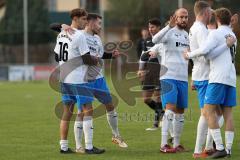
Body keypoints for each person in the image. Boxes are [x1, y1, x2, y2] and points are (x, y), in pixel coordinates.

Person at [51, 13, 128, 150]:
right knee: (82, 111)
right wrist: (63, 26)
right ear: (89, 23)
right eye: (98, 23)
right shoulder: (76, 34)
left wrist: (110, 55)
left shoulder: (97, 38)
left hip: (98, 78)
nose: (100, 26)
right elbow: (55, 27)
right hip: (82, 79)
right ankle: (82, 146)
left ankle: (116, 135)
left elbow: (99, 54)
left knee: (110, 105)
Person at [184, 8, 237, 158]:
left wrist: (188, 55)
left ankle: (219, 147)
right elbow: (212, 55)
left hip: (217, 78)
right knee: (228, 114)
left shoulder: (215, 33)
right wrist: (225, 45)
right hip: (231, 79)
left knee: (207, 112)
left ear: (217, 19)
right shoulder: (232, 35)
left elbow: (205, 51)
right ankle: (228, 149)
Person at [54, 8, 105, 154]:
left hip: (64, 79)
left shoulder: (61, 34)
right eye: (83, 19)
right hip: (78, 79)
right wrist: (96, 59)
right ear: (75, 18)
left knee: (67, 112)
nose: (85, 22)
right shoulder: (79, 36)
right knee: (87, 109)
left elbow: (56, 56)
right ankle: (89, 147)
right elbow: (86, 58)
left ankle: (63, 147)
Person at [151, 8, 190, 153]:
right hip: (168, 76)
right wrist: (169, 26)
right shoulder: (169, 32)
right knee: (170, 109)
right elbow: (155, 39)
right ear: (175, 17)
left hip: (183, 78)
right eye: (181, 17)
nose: (184, 20)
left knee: (180, 111)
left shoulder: (187, 35)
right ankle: (163, 145)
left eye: (186, 17)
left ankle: (176, 144)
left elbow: (188, 54)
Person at [138, 18, 164, 131]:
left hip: (160, 70)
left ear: (159, 28)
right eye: (149, 27)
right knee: (146, 99)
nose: (150, 29)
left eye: (153, 27)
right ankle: (162, 112)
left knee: (158, 96)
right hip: (149, 71)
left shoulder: (164, 39)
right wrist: (141, 70)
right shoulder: (147, 41)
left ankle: (156, 124)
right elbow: (143, 56)